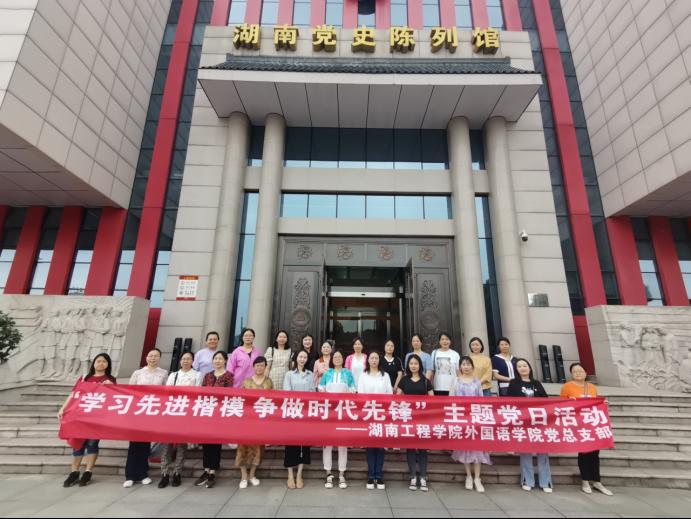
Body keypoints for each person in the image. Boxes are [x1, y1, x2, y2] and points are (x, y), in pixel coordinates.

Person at [58, 353, 116, 487]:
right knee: (77, 444)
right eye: (98, 361)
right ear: (93, 363)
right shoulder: (85, 378)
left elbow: (114, 398)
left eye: (104, 361)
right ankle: (74, 472)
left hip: (97, 418)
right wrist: (63, 408)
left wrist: (111, 387)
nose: (101, 363)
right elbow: (74, 395)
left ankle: (88, 472)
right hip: (80, 417)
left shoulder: (110, 379)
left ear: (108, 364)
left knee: (92, 444)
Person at [561, 363, 613, 496]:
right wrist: (569, 402)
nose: (578, 373)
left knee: (595, 454)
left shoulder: (591, 387)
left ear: (585, 373)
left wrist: (603, 403)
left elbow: (595, 402)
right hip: (579, 424)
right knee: (584, 453)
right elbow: (561, 406)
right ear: (571, 374)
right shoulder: (567, 387)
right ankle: (585, 481)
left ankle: (597, 481)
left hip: (592, 424)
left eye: (581, 371)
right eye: (575, 371)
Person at [123, 348, 168, 488]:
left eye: (156, 356)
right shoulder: (138, 373)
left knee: (145, 443)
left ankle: (143, 473)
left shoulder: (163, 373)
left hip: (152, 412)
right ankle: (130, 475)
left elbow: (166, 392)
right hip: (138, 411)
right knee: (134, 444)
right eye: (151, 355)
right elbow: (129, 391)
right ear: (146, 357)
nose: (153, 358)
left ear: (159, 358)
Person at [508, 358, 553, 493]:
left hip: (538, 422)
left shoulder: (536, 383)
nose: (522, 368)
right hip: (523, 421)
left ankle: (546, 482)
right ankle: (527, 480)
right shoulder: (514, 383)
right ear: (516, 370)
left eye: (525, 365)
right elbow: (508, 401)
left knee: (542, 451)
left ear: (530, 368)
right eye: (519, 366)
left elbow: (546, 400)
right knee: (525, 451)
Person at [158, 351, 203, 488]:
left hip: (187, 412)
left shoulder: (197, 375)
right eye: (183, 359)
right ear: (180, 361)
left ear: (192, 361)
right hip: (172, 412)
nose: (186, 361)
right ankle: (164, 473)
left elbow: (197, 393)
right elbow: (167, 392)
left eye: (188, 359)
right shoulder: (174, 375)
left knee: (181, 445)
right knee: (166, 444)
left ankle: (177, 472)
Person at [450, 356, 491, 493]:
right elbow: (451, 399)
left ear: (472, 367)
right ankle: (468, 476)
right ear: (460, 367)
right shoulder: (455, 381)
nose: (466, 367)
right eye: (463, 364)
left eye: (468, 364)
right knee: (464, 447)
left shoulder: (476, 382)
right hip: (461, 418)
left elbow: (481, 400)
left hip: (475, 418)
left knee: (477, 448)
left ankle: (477, 478)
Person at [319, 349, 356, 489]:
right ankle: (328, 474)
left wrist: (344, 393)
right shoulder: (327, 373)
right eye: (335, 357)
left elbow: (353, 389)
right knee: (327, 444)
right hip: (329, 412)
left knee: (342, 444)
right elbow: (320, 388)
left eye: (340, 356)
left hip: (343, 412)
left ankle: (341, 474)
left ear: (343, 359)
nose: (337, 359)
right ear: (332, 359)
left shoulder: (348, 373)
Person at [397, 354, 433, 492]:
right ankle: (412, 476)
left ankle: (423, 477)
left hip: (423, 419)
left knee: (423, 449)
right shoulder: (404, 380)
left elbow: (433, 400)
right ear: (408, 365)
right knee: (411, 448)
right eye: (411, 363)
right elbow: (398, 397)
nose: (413, 366)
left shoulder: (426, 381)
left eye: (416, 363)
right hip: (409, 418)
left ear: (420, 365)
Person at [357, 350, 393, 490]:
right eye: (371, 358)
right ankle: (371, 476)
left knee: (380, 446)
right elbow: (360, 394)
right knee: (371, 446)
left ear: (379, 360)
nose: (373, 360)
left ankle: (379, 475)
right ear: (368, 360)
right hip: (368, 414)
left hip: (381, 415)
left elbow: (389, 394)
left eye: (376, 358)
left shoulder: (385, 376)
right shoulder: (363, 375)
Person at [236, 356, 273, 489]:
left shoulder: (269, 382)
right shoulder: (246, 382)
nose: (259, 368)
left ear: (265, 367)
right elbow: (241, 400)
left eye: (262, 365)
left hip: (261, 420)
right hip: (247, 419)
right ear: (253, 367)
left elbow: (272, 400)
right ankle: (243, 476)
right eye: (257, 365)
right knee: (242, 447)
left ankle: (252, 474)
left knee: (258, 448)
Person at [283, 350, 316, 489]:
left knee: (304, 444)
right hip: (292, 412)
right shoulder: (289, 374)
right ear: (296, 358)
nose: (302, 359)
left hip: (305, 413)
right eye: (300, 357)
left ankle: (299, 475)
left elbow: (313, 392)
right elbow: (287, 392)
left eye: (305, 357)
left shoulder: (310, 374)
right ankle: (290, 474)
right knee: (291, 444)